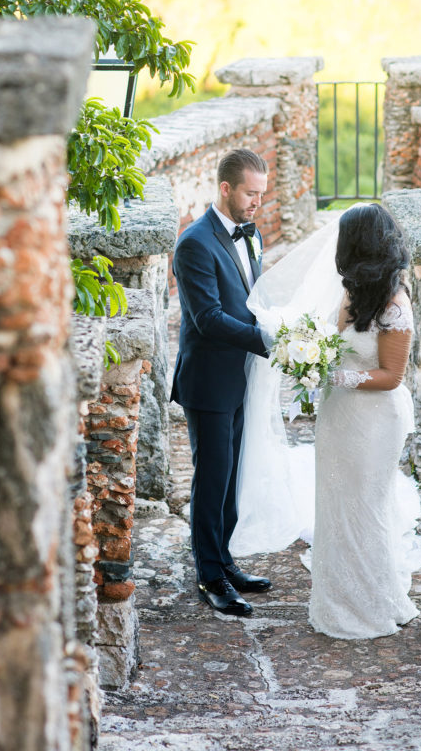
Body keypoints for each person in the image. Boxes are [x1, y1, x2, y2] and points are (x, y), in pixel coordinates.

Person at [233, 203, 421, 640]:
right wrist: (307, 354)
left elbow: (391, 376)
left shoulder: (395, 303)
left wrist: (334, 373)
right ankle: (337, 599)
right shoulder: (352, 292)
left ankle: (371, 604)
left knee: (367, 506)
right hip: (338, 415)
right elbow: (331, 339)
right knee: (336, 505)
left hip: (376, 420)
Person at [171, 148, 273, 617]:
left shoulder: (250, 235)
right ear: (226, 188)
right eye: (251, 194)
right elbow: (208, 319)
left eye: (262, 195)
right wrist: (269, 340)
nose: (257, 203)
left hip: (240, 376)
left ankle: (225, 560)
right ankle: (209, 576)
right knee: (211, 480)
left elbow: (254, 296)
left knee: (231, 477)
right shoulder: (194, 243)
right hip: (209, 381)